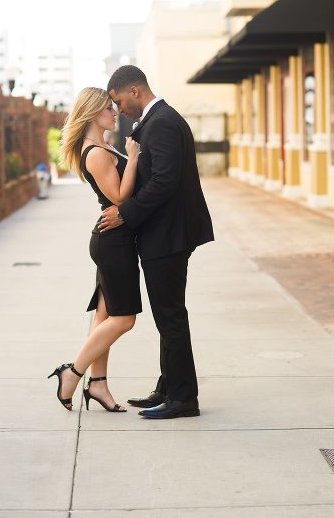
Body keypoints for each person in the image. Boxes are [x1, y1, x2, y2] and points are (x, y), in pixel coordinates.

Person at [98, 65, 214, 419]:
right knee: (168, 314)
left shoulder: (161, 122)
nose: (118, 110)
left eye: (118, 101)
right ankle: (168, 387)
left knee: (170, 315)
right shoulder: (155, 121)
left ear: (134, 90)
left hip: (169, 235)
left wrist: (125, 213)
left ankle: (183, 399)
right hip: (164, 233)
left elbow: (163, 181)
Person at [49, 87, 142, 412]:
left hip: (113, 238)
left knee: (104, 316)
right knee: (124, 318)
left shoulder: (101, 147)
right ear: (91, 113)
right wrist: (134, 159)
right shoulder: (97, 152)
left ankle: (98, 385)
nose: (115, 112)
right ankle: (72, 373)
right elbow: (119, 198)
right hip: (112, 242)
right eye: (108, 108)